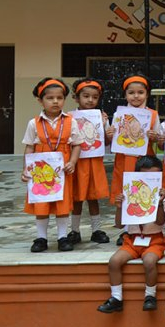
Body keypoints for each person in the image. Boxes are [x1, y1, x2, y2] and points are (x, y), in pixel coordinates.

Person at [97, 155, 165, 313]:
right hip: (132, 240)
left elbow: (160, 222)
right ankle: (116, 298)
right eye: (145, 176)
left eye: (154, 176)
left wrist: (159, 202)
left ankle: (150, 295)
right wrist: (119, 206)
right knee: (114, 261)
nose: (149, 180)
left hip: (154, 240)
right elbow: (119, 224)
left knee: (149, 261)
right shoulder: (129, 194)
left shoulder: (160, 196)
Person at [22, 78, 79, 253]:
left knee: (62, 204)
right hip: (40, 171)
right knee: (42, 203)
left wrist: (72, 162)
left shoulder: (71, 121)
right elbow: (29, 146)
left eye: (59, 98)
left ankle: (62, 237)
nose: (55, 101)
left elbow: (77, 144)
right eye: (50, 98)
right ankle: (41, 238)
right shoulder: (34, 123)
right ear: (40, 101)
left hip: (61, 170)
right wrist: (25, 169)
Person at [109, 75, 162, 206]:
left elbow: (158, 140)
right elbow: (114, 140)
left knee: (144, 188)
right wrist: (110, 134)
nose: (136, 96)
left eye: (140, 92)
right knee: (123, 189)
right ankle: (125, 222)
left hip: (145, 159)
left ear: (147, 94)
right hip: (124, 158)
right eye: (131, 93)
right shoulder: (118, 115)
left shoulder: (153, 114)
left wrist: (155, 137)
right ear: (125, 95)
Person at [68, 78, 110, 245]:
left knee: (94, 197)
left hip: (94, 162)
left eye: (94, 97)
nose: (90, 100)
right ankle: (75, 231)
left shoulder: (102, 117)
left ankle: (96, 229)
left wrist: (107, 128)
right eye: (86, 96)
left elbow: (106, 142)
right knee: (77, 198)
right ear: (76, 98)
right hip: (76, 163)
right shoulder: (69, 117)